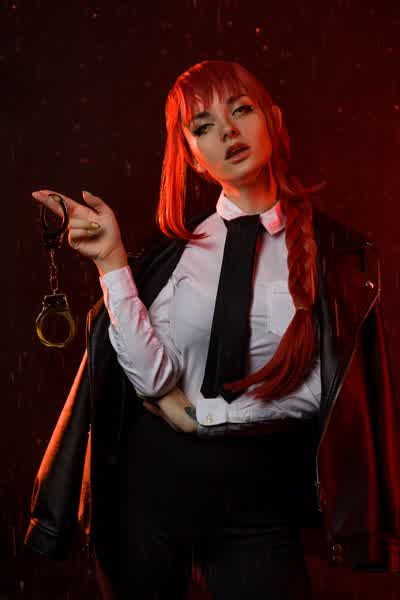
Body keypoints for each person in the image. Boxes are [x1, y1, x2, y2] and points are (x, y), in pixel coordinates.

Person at [28, 60, 399, 599]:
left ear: (274, 120)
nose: (227, 132)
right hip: (144, 498)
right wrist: (110, 260)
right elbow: (151, 378)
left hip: (256, 499)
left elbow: (325, 391)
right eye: (203, 126)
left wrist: (210, 418)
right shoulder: (171, 256)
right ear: (193, 157)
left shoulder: (338, 256)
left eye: (241, 110)